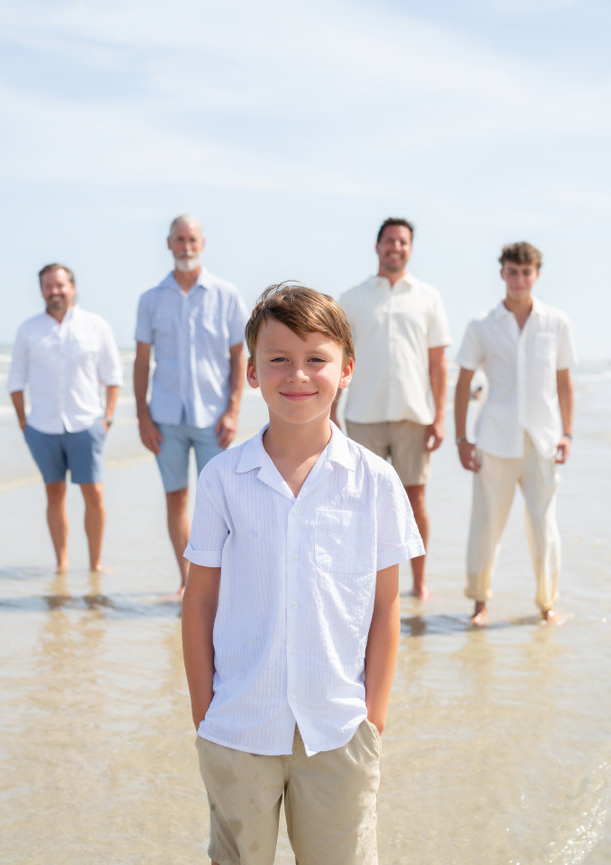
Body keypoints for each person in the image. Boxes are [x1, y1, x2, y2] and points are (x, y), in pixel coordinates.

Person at [182, 283, 424, 865]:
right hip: (238, 725)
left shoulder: (374, 481)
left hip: (339, 729)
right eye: (278, 359)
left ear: (346, 370)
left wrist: (373, 717)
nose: (298, 375)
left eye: (317, 358)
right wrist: (204, 712)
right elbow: (199, 602)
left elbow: (386, 606)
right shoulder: (222, 478)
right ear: (252, 371)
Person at [454, 242, 576, 626]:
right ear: (502, 273)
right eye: (512, 271)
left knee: (545, 528)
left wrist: (568, 433)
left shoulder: (556, 322)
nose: (519, 279)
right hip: (494, 440)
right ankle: (479, 605)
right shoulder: (481, 325)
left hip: (543, 441)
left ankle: (547, 605)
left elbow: (564, 381)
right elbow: (463, 382)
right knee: (485, 527)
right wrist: (461, 439)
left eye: (525, 272)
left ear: (536, 274)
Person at [133, 215, 248, 600]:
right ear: (169, 244)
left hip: (213, 417)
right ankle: (187, 581)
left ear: (202, 243)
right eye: (179, 239)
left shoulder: (226, 295)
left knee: (219, 500)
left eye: (192, 239)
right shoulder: (150, 299)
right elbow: (141, 361)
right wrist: (143, 416)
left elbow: (239, 357)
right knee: (176, 497)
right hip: (165, 418)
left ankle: (222, 582)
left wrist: (233, 410)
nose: (186, 246)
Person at [336, 217, 450, 600]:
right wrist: (330, 411)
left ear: (410, 249)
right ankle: (363, 585)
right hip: (362, 414)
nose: (395, 247)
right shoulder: (352, 298)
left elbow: (438, 364)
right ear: (377, 246)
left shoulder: (429, 298)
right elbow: (337, 358)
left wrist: (440, 417)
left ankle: (418, 583)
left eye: (402, 242)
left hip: (413, 415)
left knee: (415, 501)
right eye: (389, 240)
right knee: (362, 504)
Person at [7, 263, 122, 573]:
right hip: (42, 427)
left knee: (94, 494)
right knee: (54, 493)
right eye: (48, 286)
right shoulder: (28, 330)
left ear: (73, 287)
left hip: (87, 423)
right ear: (41, 291)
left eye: (60, 285)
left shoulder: (95, 325)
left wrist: (107, 419)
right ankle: (61, 563)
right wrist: (24, 424)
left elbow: (113, 377)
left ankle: (95, 564)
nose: (54, 291)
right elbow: (15, 380)